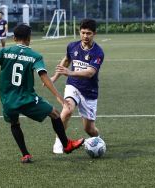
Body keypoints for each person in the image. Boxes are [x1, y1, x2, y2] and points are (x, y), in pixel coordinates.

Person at [0, 24, 84, 163]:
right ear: (29, 38)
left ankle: (25, 154)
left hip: (8, 100)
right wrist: (58, 96)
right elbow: (43, 76)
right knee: (54, 113)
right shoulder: (35, 56)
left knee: (14, 123)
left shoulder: (5, 51)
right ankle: (66, 145)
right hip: (26, 98)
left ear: (14, 38)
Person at [49, 19, 104, 154]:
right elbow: (67, 60)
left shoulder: (98, 52)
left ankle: (98, 140)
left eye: (89, 33)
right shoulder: (72, 46)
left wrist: (70, 72)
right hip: (73, 86)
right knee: (67, 110)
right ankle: (59, 141)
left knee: (89, 130)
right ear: (79, 32)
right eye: (83, 33)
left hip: (89, 92)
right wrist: (54, 78)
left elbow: (90, 72)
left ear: (94, 34)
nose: (85, 36)